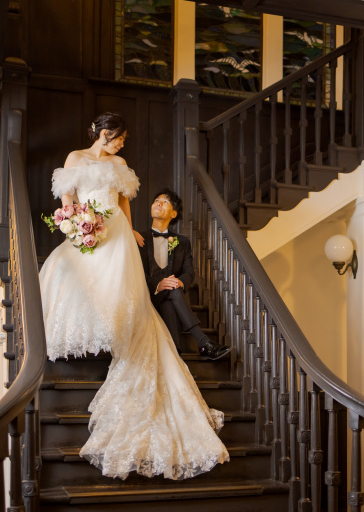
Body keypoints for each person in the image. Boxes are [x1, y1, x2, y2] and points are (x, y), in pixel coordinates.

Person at [39, 112, 229, 480]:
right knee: (64, 269)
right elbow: (67, 200)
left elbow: (124, 201)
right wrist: (76, 226)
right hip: (87, 229)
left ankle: (118, 330)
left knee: (122, 288)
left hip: (116, 232)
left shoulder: (120, 164)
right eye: (120, 138)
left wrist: (130, 230)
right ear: (105, 134)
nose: (123, 144)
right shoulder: (75, 159)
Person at [138, 189, 231, 360]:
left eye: (164, 202)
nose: (158, 203)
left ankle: (175, 355)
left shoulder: (183, 242)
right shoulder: (138, 239)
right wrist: (158, 285)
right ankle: (203, 343)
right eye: (156, 200)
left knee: (170, 301)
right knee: (172, 294)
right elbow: (135, 273)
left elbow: (189, 272)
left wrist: (180, 282)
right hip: (147, 296)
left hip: (171, 298)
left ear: (173, 213)